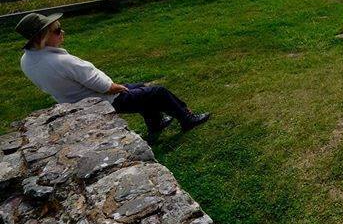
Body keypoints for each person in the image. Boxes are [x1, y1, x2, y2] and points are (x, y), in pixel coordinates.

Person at [16, 13, 209, 142]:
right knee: (157, 92)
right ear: (42, 36)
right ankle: (186, 118)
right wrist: (115, 87)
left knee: (142, 87)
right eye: (57, 30)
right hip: (103, 100)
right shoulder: (61, 61)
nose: (62, 32)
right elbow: (100, 85)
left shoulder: (27, 60)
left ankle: (156, 124)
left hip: (75, 102)